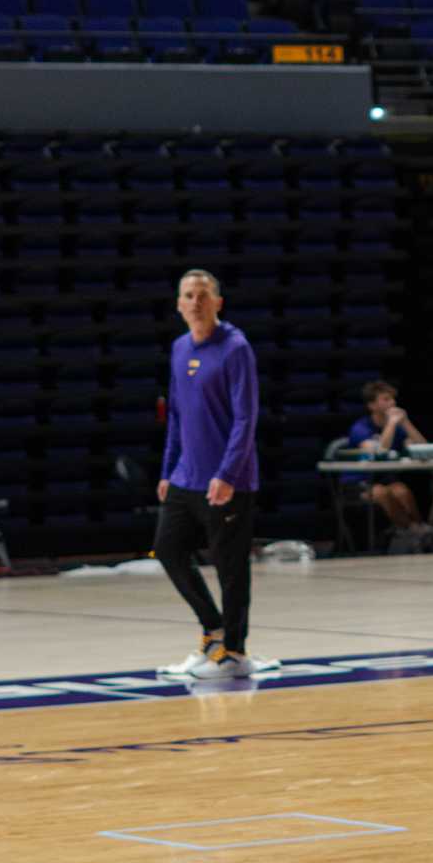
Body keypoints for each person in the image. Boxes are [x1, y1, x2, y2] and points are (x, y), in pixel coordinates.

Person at [154, 269, 272, 682]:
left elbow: (245, 418)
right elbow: (177, 418)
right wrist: (169, 469)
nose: (196, 303)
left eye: (203, 296)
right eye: (188, 295)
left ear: (218, 302)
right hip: (186, 477)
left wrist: (227, 473)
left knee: (230, 567)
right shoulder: (179, 348)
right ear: (179, 304)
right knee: (167, 549)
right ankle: (214, 630)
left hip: (227, 481)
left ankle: (235, 652)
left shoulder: (235, 347)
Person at [343, 379, 433, 552]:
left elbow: (424, 448)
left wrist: (406, 423)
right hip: (357, 483)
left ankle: (417, 527)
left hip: (383, 480)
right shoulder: (360, 428)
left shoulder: (398, 427)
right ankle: (414, 532)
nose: (392, 403)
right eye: (386, 399)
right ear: (372, 405)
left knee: (401, 490)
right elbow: (381, 451)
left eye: (393, 399)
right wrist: (392, 423)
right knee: (382, 493)